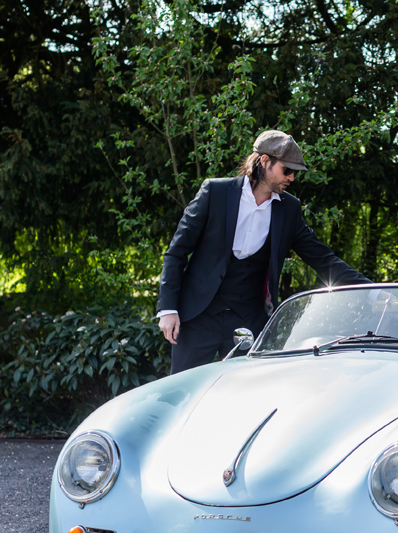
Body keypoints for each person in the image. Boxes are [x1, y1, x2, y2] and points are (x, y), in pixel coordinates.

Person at [156, 130, 370, 374]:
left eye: (295, 172)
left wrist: (372, 291)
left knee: (245, 397)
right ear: (264, 161)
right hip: (198, 316)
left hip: (248, 321)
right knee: (184, 393)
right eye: (286, 170)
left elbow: (322, 258)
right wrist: (168, 309)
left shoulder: (289, 209)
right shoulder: (215, 193)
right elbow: (177, 252)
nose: (291, 178)